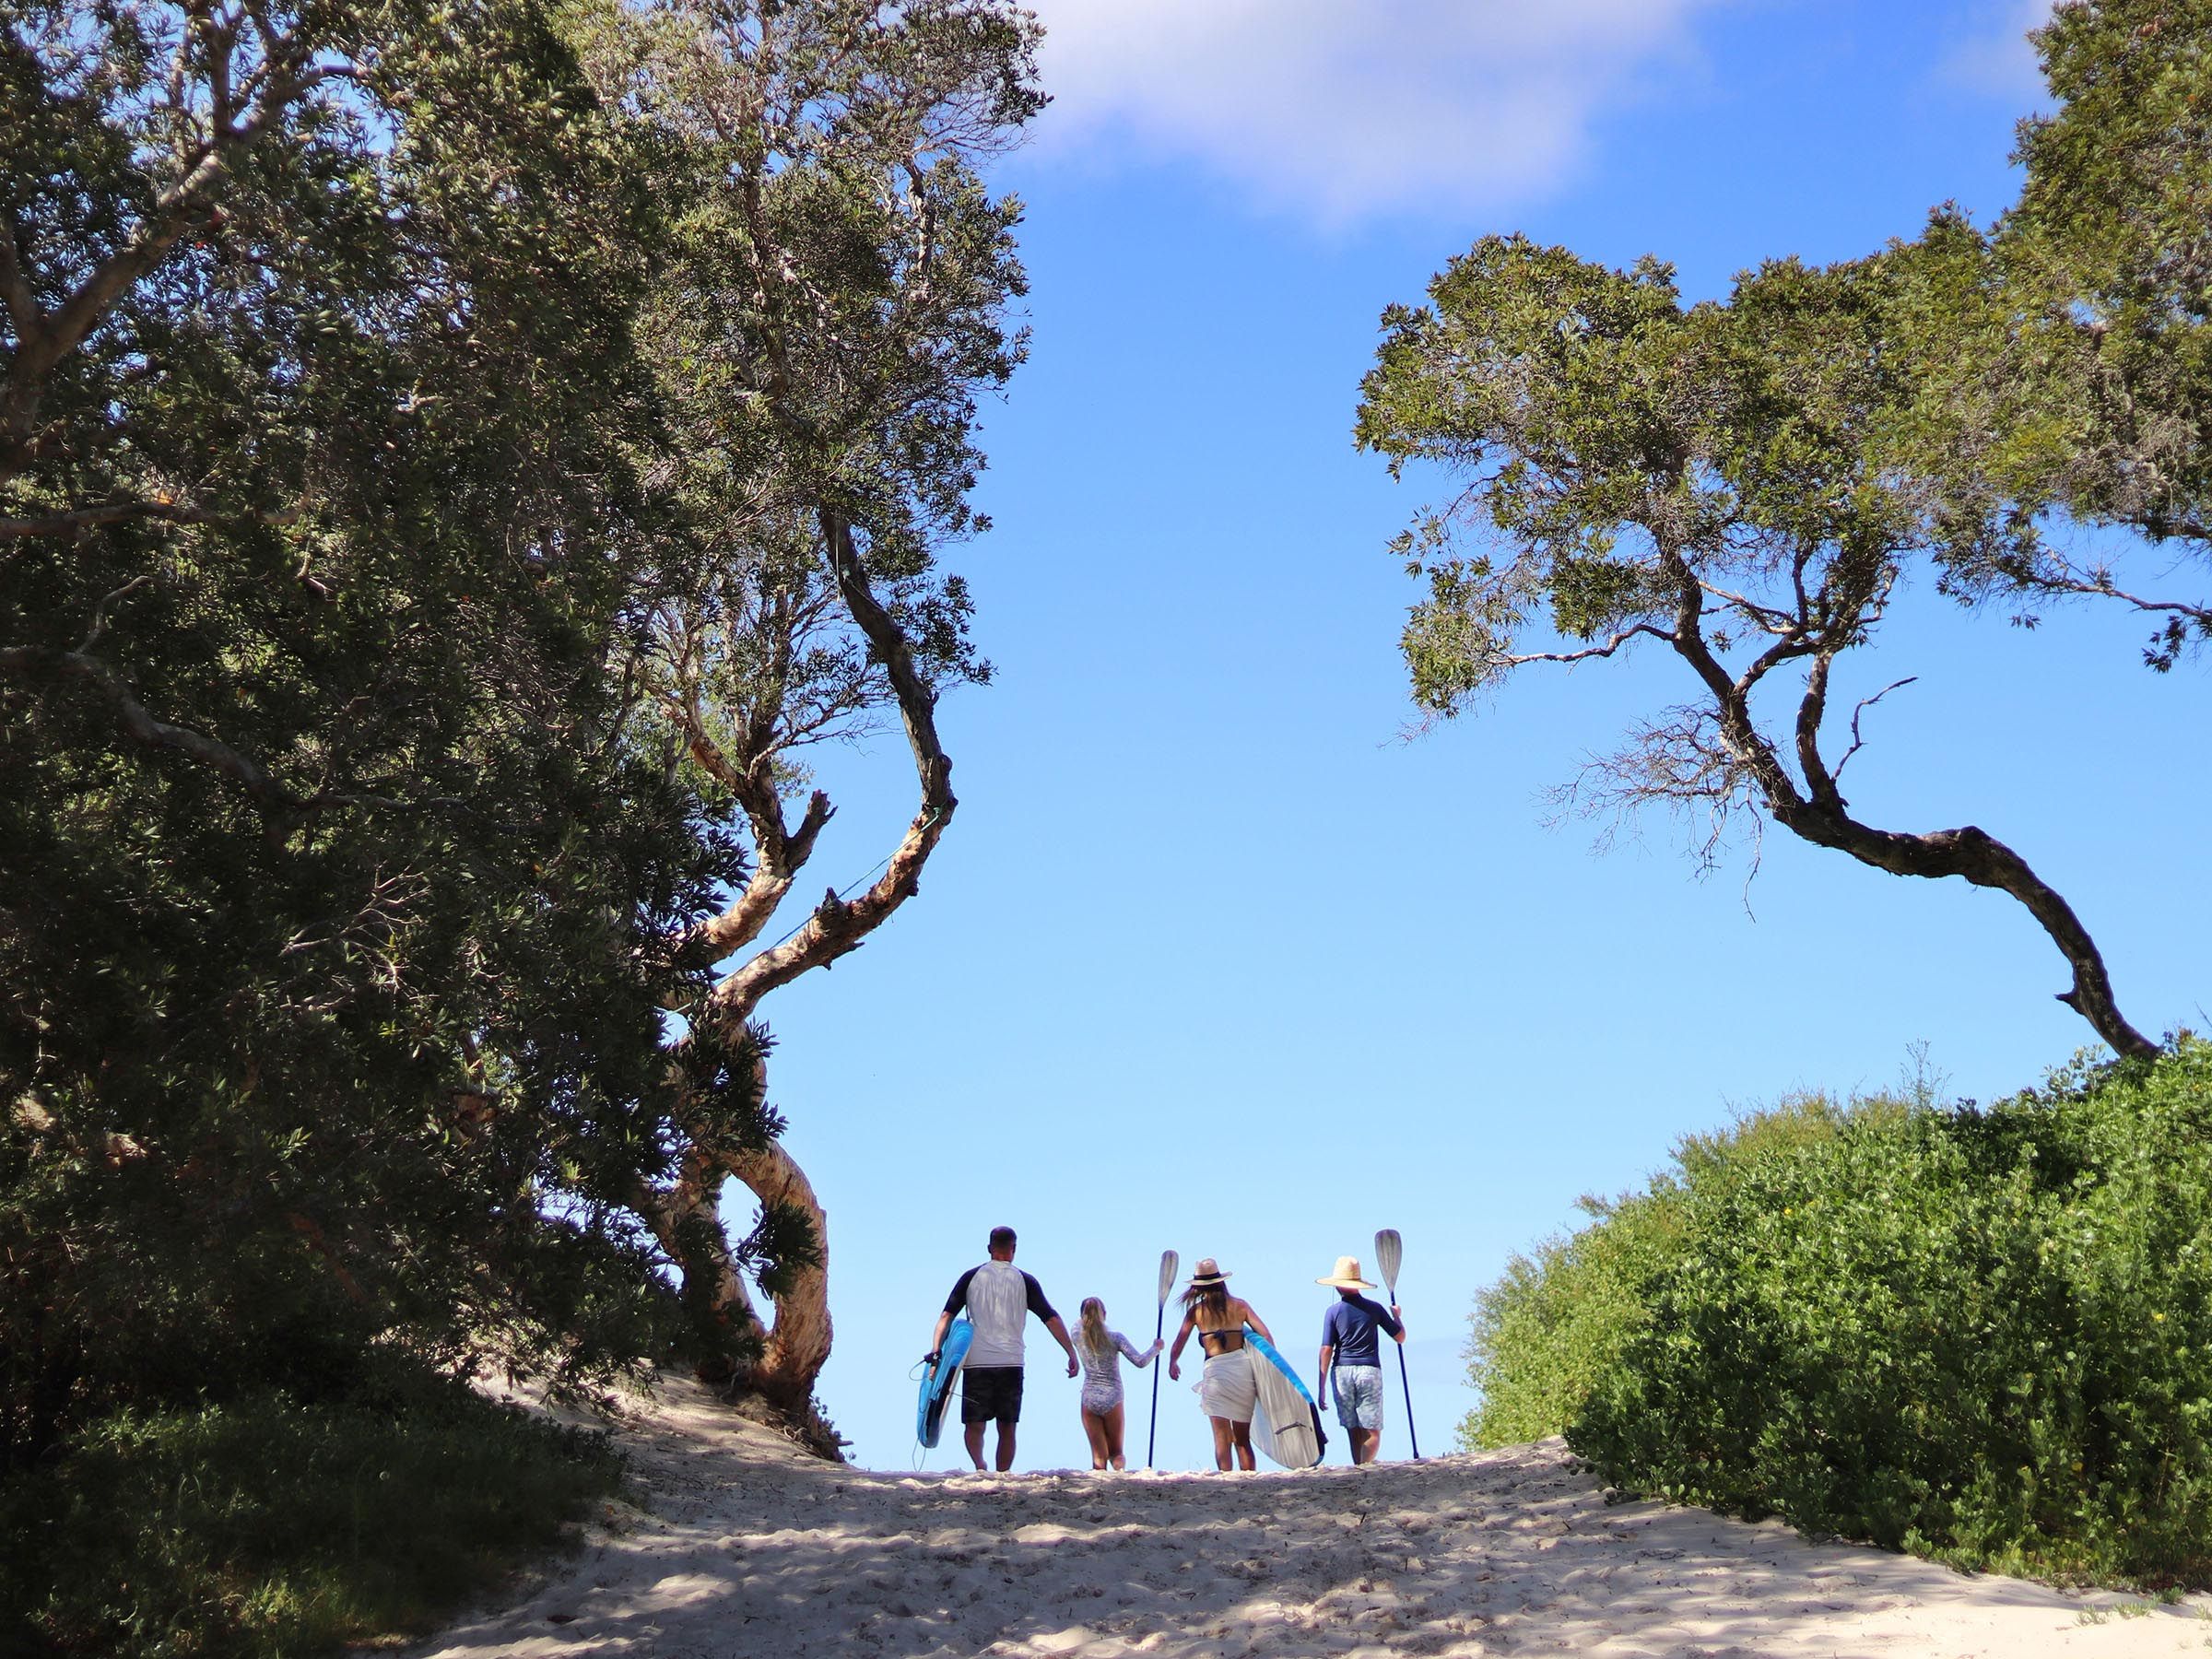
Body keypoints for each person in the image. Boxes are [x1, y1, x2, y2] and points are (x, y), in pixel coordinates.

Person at [926, 1225, 1078, 1472]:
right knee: (1007, 1426)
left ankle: (980, 1466)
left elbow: (946, 1317)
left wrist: (936, 1352)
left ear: (989, 1248)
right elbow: (1051, 1317)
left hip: (976, 1361)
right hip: (1011, 1361)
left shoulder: (970, 1277)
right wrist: (1070, 1352)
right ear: (1014, 1250)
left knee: (974, 1424)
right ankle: (1003, 1473)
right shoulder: (1025, 1280)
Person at [1166, 1258, 1276, 1471]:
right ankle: (1249, 1480)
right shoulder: (1240, 1305)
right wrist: (1271, 1367)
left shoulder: (1196, 1312)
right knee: (1243, 1439)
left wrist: (1173, 1362)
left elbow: (1179, 1342)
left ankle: (1226, 1478)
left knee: (1221, 1438)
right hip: (1242, 1372)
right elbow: (1266, 1336)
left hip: (1216, 1372)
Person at [1314, 1254, 1406, 1465]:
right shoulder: (1374, 1308)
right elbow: (1400, 1337)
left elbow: (1326, 1349)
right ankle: (1363, 1468)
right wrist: (1397, 1316)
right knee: (1372, 1430)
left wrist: (1321, 1386)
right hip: (1369, 1370)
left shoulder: (1333, 1312)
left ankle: (1359, 1468)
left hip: (1342, 1372)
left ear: (1337, 1285)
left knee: (1352, 1427)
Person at [1072, 1296, 1160, 1471]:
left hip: (1089, 1398)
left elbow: (1077, 1323)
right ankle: (1119, 1478)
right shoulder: (1115, 1339)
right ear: (1104, 1314)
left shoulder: (1078, 1337)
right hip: (1113, 1396)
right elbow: (1140, 1361)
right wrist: (1156, 1348)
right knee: (1117, 1453)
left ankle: (1100, 1490)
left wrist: (1088, 1315)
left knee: (1099, 1456)